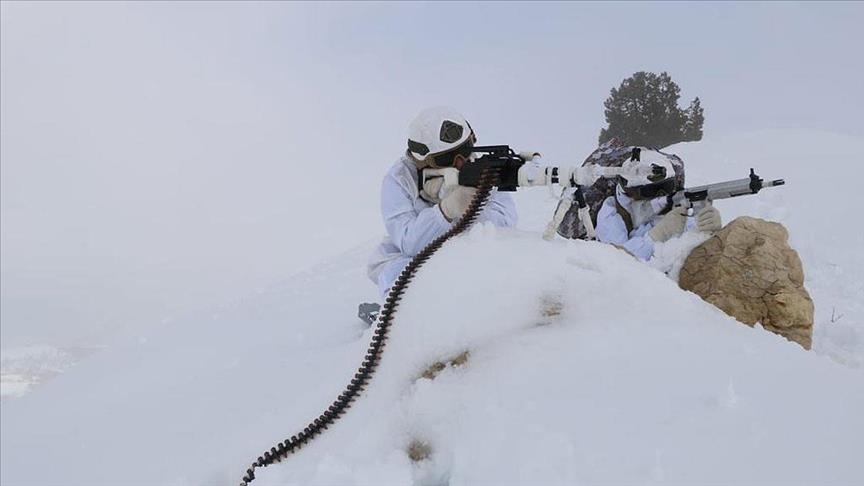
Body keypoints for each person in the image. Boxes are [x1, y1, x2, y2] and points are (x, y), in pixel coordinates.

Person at [366, 107, 518, 299]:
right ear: (422, 160)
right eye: (447, 158)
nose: (461, 163)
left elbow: (505, 224)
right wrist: (445, 210)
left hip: (470, 254)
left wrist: (473, 207)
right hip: (416, 259)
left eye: (465, 151)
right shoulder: (400, 179)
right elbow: (408, 242)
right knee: (397, 274)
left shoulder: (482, 169)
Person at [594, 150, 722, 261]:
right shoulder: (612, 215)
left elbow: (694, 244)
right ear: (630, 192)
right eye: (650, 190)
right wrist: (655, 237)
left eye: (666, 187)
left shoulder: (672, 205)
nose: (660, 195)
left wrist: (707, 230)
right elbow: (616, 261)